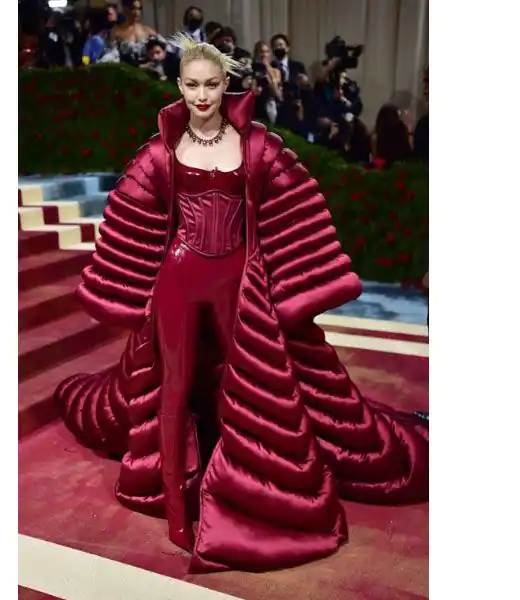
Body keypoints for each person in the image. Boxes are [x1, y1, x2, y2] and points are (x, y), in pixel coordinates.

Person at [55, 35, 428, 574]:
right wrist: (132, 285)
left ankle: (246, 496)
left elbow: (297, 202)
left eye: (211, 84)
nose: (202, 95)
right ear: (179, 86)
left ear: (225, 84)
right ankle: (177, 513)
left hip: (238, 281)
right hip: (178, 278)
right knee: (173, 389)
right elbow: (133, 212)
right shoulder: (161, 150)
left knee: (251, 386)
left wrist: (287, 281)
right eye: (192, 85)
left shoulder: (256, 145)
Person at [109, 0, 162, 66]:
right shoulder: (116, 32)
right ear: (125, 9)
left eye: (139, 9)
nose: (137, 12)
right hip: (126, 70)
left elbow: (162, 51)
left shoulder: (148, 31)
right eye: (133, 8)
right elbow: (112, 57)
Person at [250, 40, 283, 123]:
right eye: (261, 52)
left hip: (270, 107)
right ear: (256, 53)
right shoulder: (252, 69)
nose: (264, 54)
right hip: (255, 109)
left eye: (267, 52)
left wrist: (269, 72)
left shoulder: (275, 71)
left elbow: (278, 95)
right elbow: (252, 91)